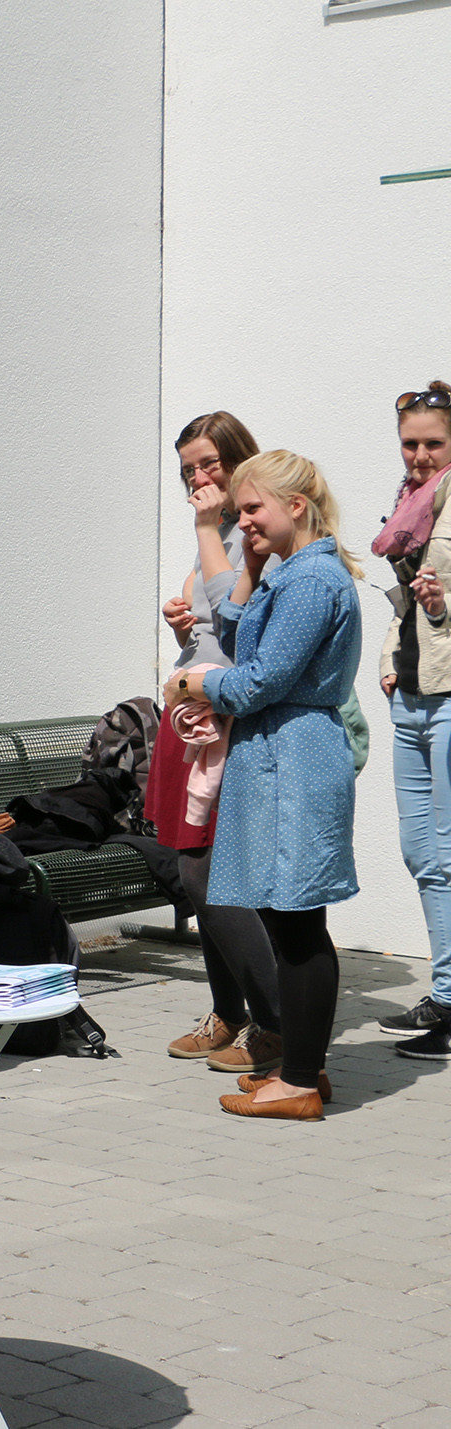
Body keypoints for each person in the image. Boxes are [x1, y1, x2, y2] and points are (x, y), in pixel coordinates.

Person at [163, 450, 362, 1121]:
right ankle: (307, 1069)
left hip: (294, 760)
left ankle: (300, 1080)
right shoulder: (290, 572)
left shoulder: (310, 581)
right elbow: (242, 635)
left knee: (298, 923)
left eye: (253, 509)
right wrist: (248, 567)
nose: (241, 520)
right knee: (287, 919)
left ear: (295, 506)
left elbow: (258, 681)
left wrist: (194, 682)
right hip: (281, 757)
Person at [143, 412, 282, 1076]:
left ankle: (275, 1023)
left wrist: (206, 530)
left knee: (214, 874)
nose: (198, 479)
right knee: (193, 873)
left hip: (227, 723)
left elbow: (245, 626)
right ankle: (228, 1011)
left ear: (237, 460)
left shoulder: (254, 534)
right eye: (187, 470)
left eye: (208, 464)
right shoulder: (217, 534)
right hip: (192, 715)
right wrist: (181, 632)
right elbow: (212, 631)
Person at [376, 383, 451, 1059]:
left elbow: (437, 603)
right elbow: (402, 599)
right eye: (411, 443)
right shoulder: (408, 503)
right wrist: (387, 652)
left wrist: (441, 606)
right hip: (411, 696)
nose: (421, 455)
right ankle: (447, 992)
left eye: (434, 443)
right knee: (422, 855)